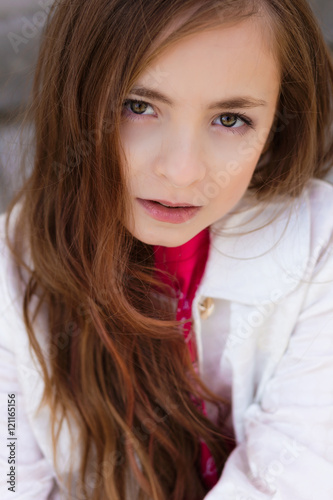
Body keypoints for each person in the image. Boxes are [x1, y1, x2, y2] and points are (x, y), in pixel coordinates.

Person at [1, 0, 333, 498]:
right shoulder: (11, 270)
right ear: (75, 99)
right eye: (138, 106)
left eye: (230, 119)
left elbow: (300, 469)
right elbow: (11, 477)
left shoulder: (318, 244)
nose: (182, 171)